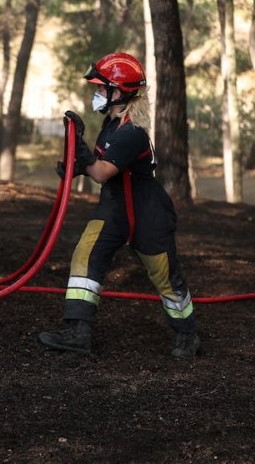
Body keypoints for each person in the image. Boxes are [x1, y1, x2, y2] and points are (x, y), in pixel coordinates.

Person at [39, 52, 200, 358]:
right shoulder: (111, 125)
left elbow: (101, 172)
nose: (97, 94)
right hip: (113, 208)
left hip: (147, 211)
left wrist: (83, 154)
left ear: (119, 92)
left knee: (165, 277)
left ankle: (186, 334)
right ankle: (77, 332)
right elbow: (99, 167)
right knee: (85, 256)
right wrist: (77, 166)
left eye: (102, 89)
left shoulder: (131, 132)